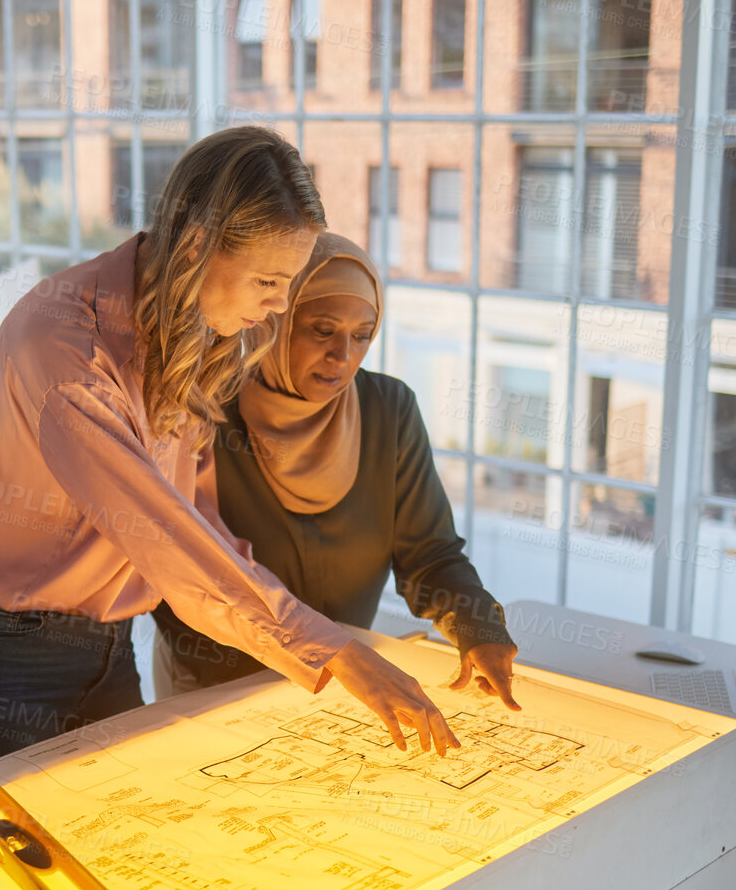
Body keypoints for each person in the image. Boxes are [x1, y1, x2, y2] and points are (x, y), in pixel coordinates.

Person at [0, 126, 461, 765]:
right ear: (200, 247)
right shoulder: (71, 357)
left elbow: (199, 518)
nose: (281, 305)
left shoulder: (195, 332)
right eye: (267, 282)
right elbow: (165, 536)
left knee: (113, 839)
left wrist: (316, 641)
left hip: (108, 642)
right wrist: (333, 649)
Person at [152, 232, 520, 706]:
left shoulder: (389, 410)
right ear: (273, 323)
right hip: (215, 688)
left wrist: (478, 629)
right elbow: (182, 568)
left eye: (362, 335)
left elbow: (428, 556)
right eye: (322, 331)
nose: (342, 356)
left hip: (345, 685)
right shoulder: (202, 409)